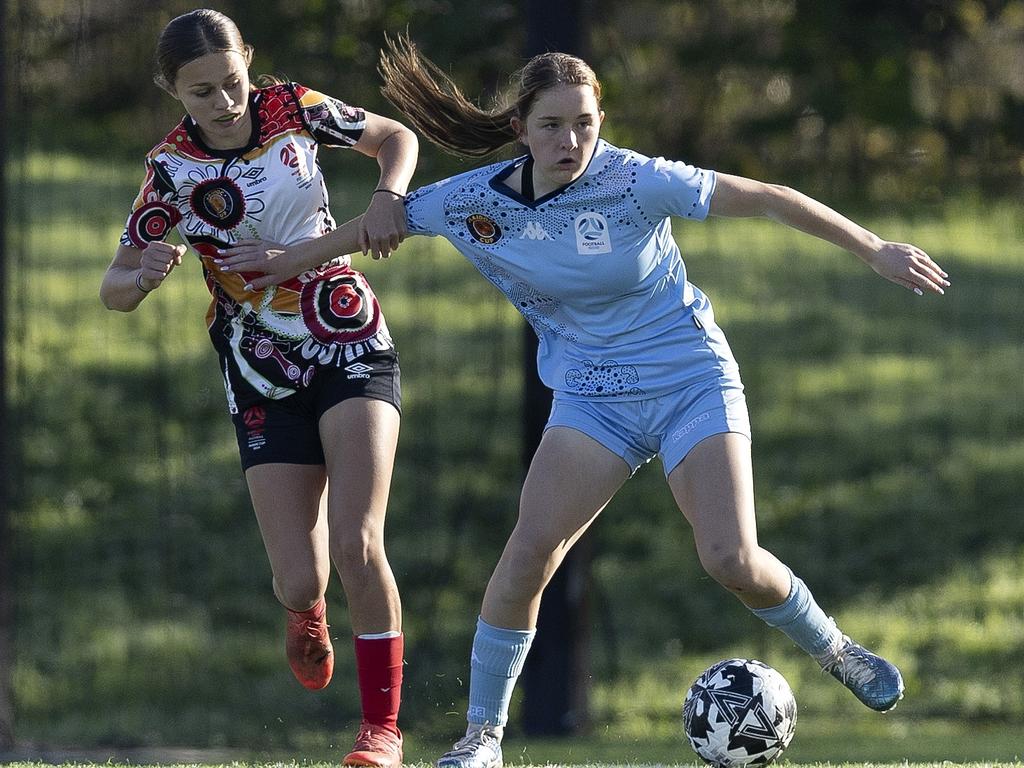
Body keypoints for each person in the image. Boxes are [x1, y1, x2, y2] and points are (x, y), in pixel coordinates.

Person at [220, 35, 950, 768]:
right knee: (529, 554)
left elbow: (768, 197)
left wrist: (872, 247)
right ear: (519, 130)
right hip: (592, 400)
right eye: (551, 126)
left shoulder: (636, 181)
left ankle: (838, 652)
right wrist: (285, 261)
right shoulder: (471, 201)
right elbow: (377, 224)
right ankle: (481, 740)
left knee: (730, 557)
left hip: (688, 379)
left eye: (585, 124)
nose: (571, 142)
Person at [99, 11, 417, 767]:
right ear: (172, 90)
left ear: (250, 64)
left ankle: (382, 731)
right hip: (258, 368)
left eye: (232, 82)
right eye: (201, 91)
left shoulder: (294, 108)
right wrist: (138, 277)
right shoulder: (171, 171)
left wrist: (386, 195)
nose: (223, 102)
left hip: (348, 338)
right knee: (300, 574)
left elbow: (393, 136)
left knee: (358, 542)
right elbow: (112, 285)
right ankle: (304, 612)